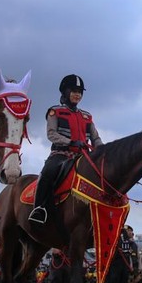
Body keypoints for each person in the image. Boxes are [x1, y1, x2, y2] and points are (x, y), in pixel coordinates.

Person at [30, 74, 103, 223]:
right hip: (61, 154)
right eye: (74, 91)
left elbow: (95, 138)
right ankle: (39, 209)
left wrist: (103, 150)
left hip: (83, 156)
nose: (77, 94)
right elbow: (51, 134)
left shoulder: (87, 116)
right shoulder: (55, 111)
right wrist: (70, 142)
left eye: (80, 92)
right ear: (65, 92)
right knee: (48, 172)